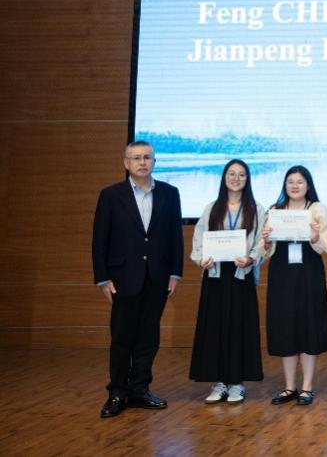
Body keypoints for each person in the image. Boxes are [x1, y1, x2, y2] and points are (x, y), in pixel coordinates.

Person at [92, 140, 183, 418]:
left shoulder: (170, 193)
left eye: (147, 157)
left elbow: (175, 237)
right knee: (122, 338)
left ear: (154, 162)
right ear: (126, 163)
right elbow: (99, 240)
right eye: (136, 158)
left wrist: (175, 272)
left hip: (158, 277)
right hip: (122, 278)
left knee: (148, 338)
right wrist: (103, 278)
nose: (142, 162)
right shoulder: (110, 195)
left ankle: (140, 389)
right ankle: (117, 392)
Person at [189, 159, 267, 404]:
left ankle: (236, 383)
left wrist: (251, 258)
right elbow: (199, 239)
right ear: (224, 178)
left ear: (247, 179)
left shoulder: (257, 209)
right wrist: (201, 259)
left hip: (240, 276)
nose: (236, 178)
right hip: (215, 276)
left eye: (241, 175)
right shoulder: (212, 208)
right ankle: (218, 383)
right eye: (231, 174)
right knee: (214, 328)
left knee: (239, 329)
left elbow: (262, 242)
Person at [260, 165, 327, 406]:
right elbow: (264, 250)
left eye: (300, 182)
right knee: (286, 327)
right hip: (282, 276)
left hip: (309, 274)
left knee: (309, 326)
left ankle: (307, 387)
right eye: (290, 181)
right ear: (285, 185)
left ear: (308, 185)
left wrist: (315, 237)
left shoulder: (317, 209)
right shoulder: (274, 210)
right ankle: (289, 387)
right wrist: (266, 239)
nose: (295, 186)